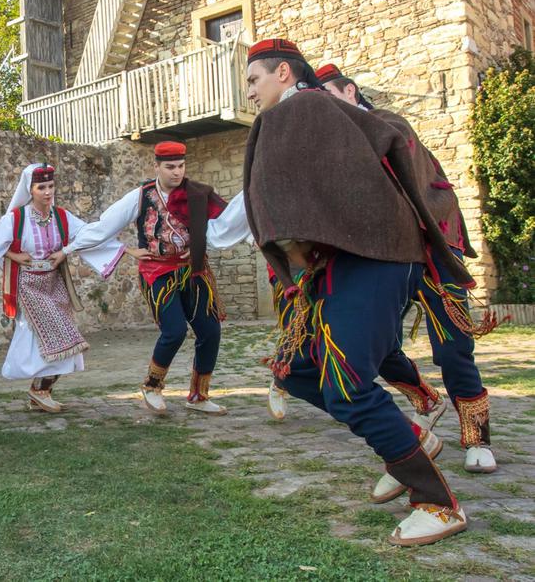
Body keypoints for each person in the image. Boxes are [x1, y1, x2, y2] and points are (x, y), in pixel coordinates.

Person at [244, 38, 470, 545]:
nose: (251, 94)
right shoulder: (328, 112)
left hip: (372, 261)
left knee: (346, 386)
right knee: (297, 371)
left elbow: (276, 202)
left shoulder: (299, 111)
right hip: (356, 262)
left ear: (283, 72)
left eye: (255, 81)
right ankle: (413, 439)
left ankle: (437, 504)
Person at [315, 62, 498, 485]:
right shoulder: (336, 148)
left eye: (329, 99)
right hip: (387, 259)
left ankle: (477, 440)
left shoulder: (388, 122)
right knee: (372, 347)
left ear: (350, 92)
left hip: (433, 253)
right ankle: (423, 398)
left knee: (453, 348)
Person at [49, 142, 252, 415]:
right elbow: (104, 227)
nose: (177, 172)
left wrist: (254, 238)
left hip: (194, 271)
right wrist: (67, 250)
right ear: (156, 166)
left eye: (181, 166)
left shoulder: (197, 193)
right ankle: (152, 386)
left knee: (210, 331)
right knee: (175, 330)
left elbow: (227, 220)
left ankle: (198, 395)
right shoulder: (140, 197)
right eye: (170, 167)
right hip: (157, 272)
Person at [0, 163, 125, 411]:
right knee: (56, 334)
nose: (47, 191)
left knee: (64, 340)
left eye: (51, 186)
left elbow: (88, 234)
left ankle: (41, 391)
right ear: (30, 190)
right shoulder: (16, 218)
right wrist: (13, 255)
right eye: (41, 187)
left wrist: (122, 248)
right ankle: (38, 389)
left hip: (54, 282)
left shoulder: (61, 216)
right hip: (28, 283)